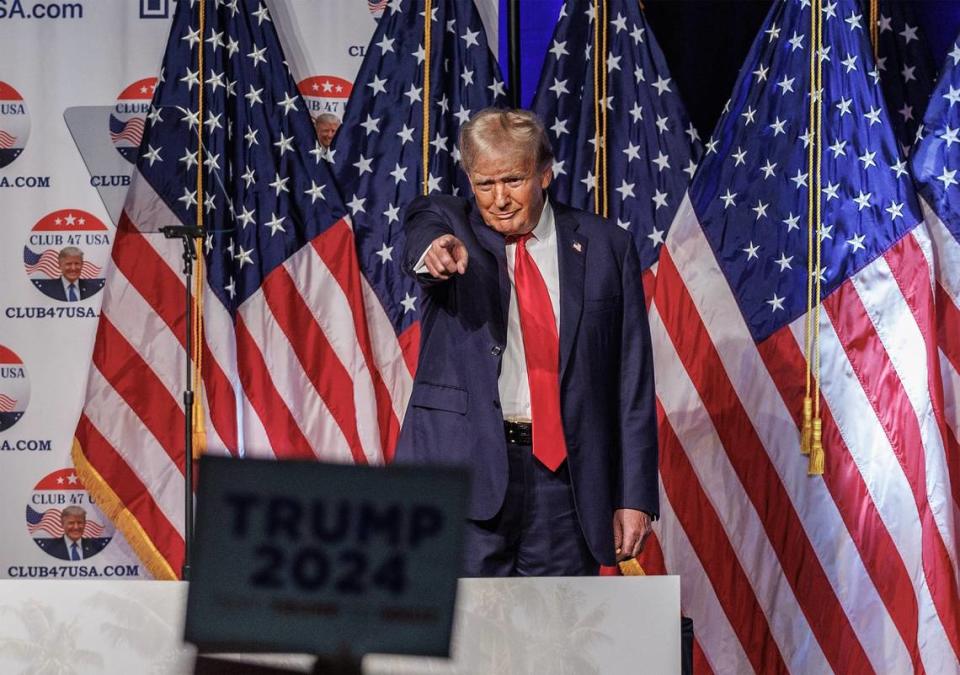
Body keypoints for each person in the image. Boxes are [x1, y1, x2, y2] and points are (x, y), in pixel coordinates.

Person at [396, 108, 658, 576]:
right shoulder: (448, 223)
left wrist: (634, 495)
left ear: (544, 173)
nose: (498, 200)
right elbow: (421, 230)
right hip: (464, 472)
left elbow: (631, 381)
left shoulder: (606, 246)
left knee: (553, 637)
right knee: (465, 640)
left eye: (513, 181)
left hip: (564, 482)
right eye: (484, 184)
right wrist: (433, 250)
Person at [35, 506, 109, 561]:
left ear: (85, 523)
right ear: (62, 524)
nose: (76, 527)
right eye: (71, 523)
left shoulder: (96, 548)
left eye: (80, 523)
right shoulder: (50, 549)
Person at [31, 246, 104, 301]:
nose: (73, 268)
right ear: (60, 265)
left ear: (82, 264)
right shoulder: (46, 291)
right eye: (68, 264)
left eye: (77, 263)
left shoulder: (94, 290)